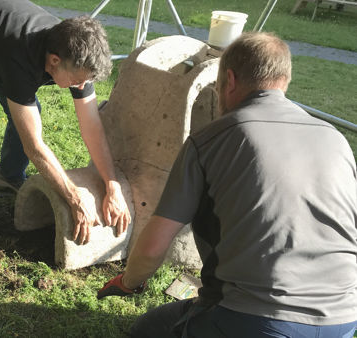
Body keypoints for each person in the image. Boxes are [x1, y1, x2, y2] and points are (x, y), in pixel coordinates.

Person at [97, 32, 357, 337]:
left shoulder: (210, 140)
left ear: (229, 81)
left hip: (257, 321)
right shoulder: (335, 138)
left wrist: (128, 282)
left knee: (149, 329)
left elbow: (153, 248)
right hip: (343, 317)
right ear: (284, 80)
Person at [0, 0, 131, 244]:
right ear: (54, 61)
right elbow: (34, 146)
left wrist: (112, 185)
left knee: (30, 110)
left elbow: (92, 128)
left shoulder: (77, 56)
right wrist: (75, 198)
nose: (81, 87)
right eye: (76, 82)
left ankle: (8, 175)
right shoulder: (22, 56)